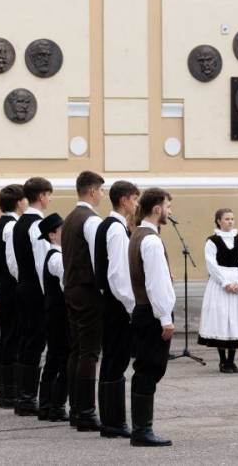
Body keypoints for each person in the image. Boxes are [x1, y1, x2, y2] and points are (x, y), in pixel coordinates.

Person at [128, 188, 176, 447]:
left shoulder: (137, 234)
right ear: (157, 209)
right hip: (152, 313)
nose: (169, 211)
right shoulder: (151, 240)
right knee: (150, 369)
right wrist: (165, 317)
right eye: (167, 206)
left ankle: (141, 428)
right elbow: (156, 284)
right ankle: (142, 430)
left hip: (143, 309)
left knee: (144, 369)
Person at [61, 171, 105, 431]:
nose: (102, 194)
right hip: (87, 290)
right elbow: (97, 259)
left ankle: (77, 408)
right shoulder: (90, 220)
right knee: (88, 351)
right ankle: (86, 412)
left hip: (72, 288)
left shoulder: (69, 218)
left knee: (78, 350)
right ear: (91, 191)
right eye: (100, 190)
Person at [95, 180, 139, 439]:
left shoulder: (109, 226)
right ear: (124, 200)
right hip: (117, 304)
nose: (136, 204)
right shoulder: (115, 229)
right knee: (116, 359)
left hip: (112, 302)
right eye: (134, 199)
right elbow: (118, 274)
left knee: (114, 359)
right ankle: (113, 421)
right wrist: (131, 305)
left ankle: (111, 420)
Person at [12, 177, 53, 416]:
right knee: (34, 342)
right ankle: (27, 397)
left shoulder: (20, 222)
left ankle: (23, 395)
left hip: (24, 286)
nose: (50, 199)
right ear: (41, 196)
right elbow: (41, 264)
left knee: (28, 341)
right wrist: (48, 294)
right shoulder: (37, 224)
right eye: (49, 194)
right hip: (35, 290)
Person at [198, 208, 238, 373]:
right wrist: (225, 283)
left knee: (235, 321)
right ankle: (223, 361)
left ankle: (232, 360)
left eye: (232, 219)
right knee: (221, 320)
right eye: (227, 219)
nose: (230, 221)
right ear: (218, 221)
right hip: (219, 284)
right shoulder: (212, 241)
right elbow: (211, 264)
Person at [0, 183, 26, 409]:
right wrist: (22, 281)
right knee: (13, 336)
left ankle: (7, 390)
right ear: (18, 201)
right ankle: (10, 391)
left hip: (4, 285)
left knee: (9, 335)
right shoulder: (11, 226)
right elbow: (14, 261)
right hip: (11, 286)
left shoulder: (0, 224)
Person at [39, 212, 69, 421]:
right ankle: (55, 406)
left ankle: (47, 405)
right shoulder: (57, 258)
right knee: (62, 359)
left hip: (54, 313)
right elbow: (67, 284)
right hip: (60, 315)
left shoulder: (55, 256)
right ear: (52, 235)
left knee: (54, 358)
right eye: (62, 230)